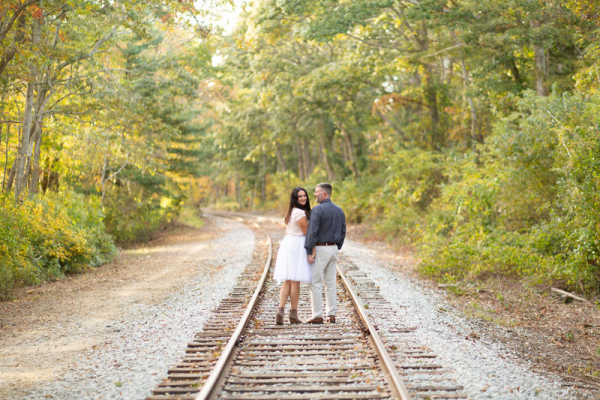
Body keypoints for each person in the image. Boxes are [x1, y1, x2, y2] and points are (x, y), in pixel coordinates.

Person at [304, 183, 346, 324]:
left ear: (324, 194)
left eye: (317, 192)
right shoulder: (339, 210)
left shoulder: (317, 210)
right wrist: (337, 245)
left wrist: (309, 250)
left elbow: (312, 232)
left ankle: (317, 315)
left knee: (315, 282)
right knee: (330, 283)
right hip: (333, 249)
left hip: (321, 249)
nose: (315, 194)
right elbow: (343, 230)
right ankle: (331, 314)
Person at [273, 187, 314, 325]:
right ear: (295, 199)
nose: (303, 198)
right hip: (297, 244)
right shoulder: (301, 213)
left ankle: (280, 310)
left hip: (288, 242)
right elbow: (307, 233)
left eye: (304, 196)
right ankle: (293, 314)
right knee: (295, 280)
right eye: (300, 196)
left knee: (288, 280)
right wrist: (312, 250)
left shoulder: (291, 212)